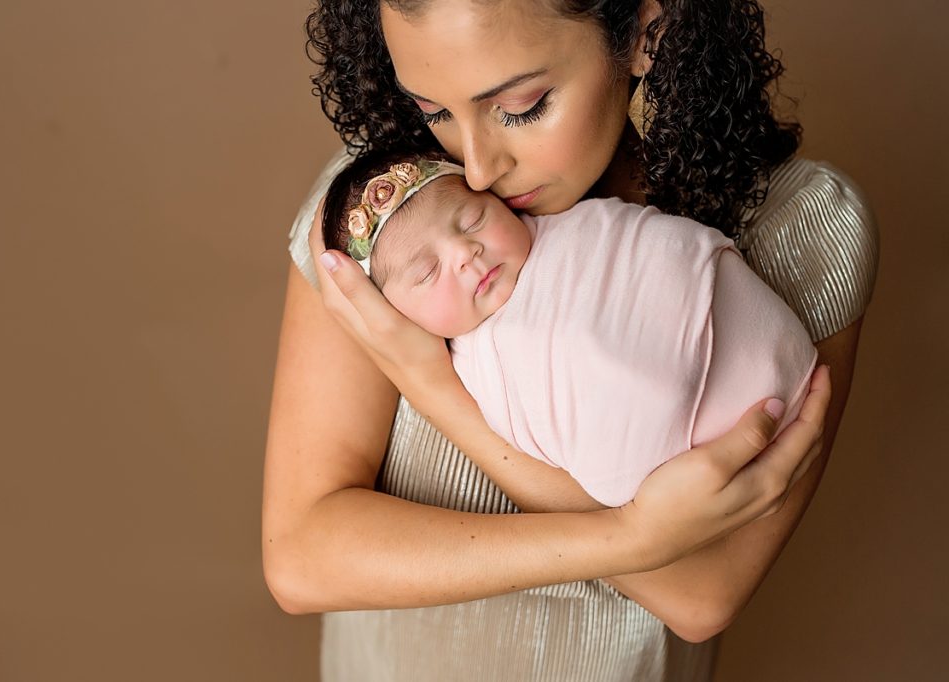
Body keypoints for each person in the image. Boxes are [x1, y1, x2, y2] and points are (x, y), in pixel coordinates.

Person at [263, 1, 879, 680]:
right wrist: (629, 536)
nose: (474, 168)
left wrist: (436, 390)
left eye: (521, 107)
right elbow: (301, 557)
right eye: (434, 111)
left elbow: (702, 594)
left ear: (648, 32)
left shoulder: (799, 228)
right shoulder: (386, 223)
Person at [320, 150, 817, 507]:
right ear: (390, 316)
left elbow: (658, 249)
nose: (464, 254)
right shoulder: (475, 367)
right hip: (708, 459)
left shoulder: (575, 225)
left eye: (472, 220)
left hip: (762, 342)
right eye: (427, 273)